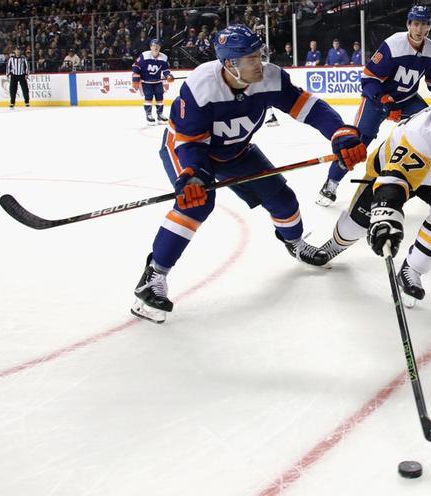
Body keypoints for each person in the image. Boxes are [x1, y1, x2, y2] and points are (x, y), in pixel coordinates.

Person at [130, 25, 367, 323]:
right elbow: (190, 143)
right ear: (230, 64)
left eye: (260, 54)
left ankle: (294, 244)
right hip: (189, 151)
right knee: (197, 202)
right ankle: (154, 275)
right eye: (252, 58)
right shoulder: (201, 86)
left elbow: (308, 107)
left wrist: (341, 133)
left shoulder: (269, 77)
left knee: (282, 199)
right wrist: (193, 177)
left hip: (236, 150)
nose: (261, 62)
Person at [317, 79, 431, 305]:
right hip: (388, 171)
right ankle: (334, 245)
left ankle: (412, 270)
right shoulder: (421, 136)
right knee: (356, 225)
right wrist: (386, 214)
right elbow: (396, 180)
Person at [316, 5, 431, 206]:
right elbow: (368, 78)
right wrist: (384, 101)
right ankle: (330, 183)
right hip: (377, 100)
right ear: (408, 25)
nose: (420, 29)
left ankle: (430, 184)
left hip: (407, 101)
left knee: (430, 131)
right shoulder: (393, 44)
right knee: (355, 144)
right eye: (416, 24)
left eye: (425, 24)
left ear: (429, 27)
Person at [131, 38, 174, 125]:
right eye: (154, 46)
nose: (155, 48)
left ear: (160, 47)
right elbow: (136, 66)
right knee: (148, 97)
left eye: (157, 46)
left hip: (158, 82)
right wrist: (135, 79)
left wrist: (169, 76)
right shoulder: (144, 55)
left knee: (160, 98)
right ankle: (149, 115)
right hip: (146, 82)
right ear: (150, 47)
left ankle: (160, 114)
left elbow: (166, 70)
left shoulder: (164, 57)